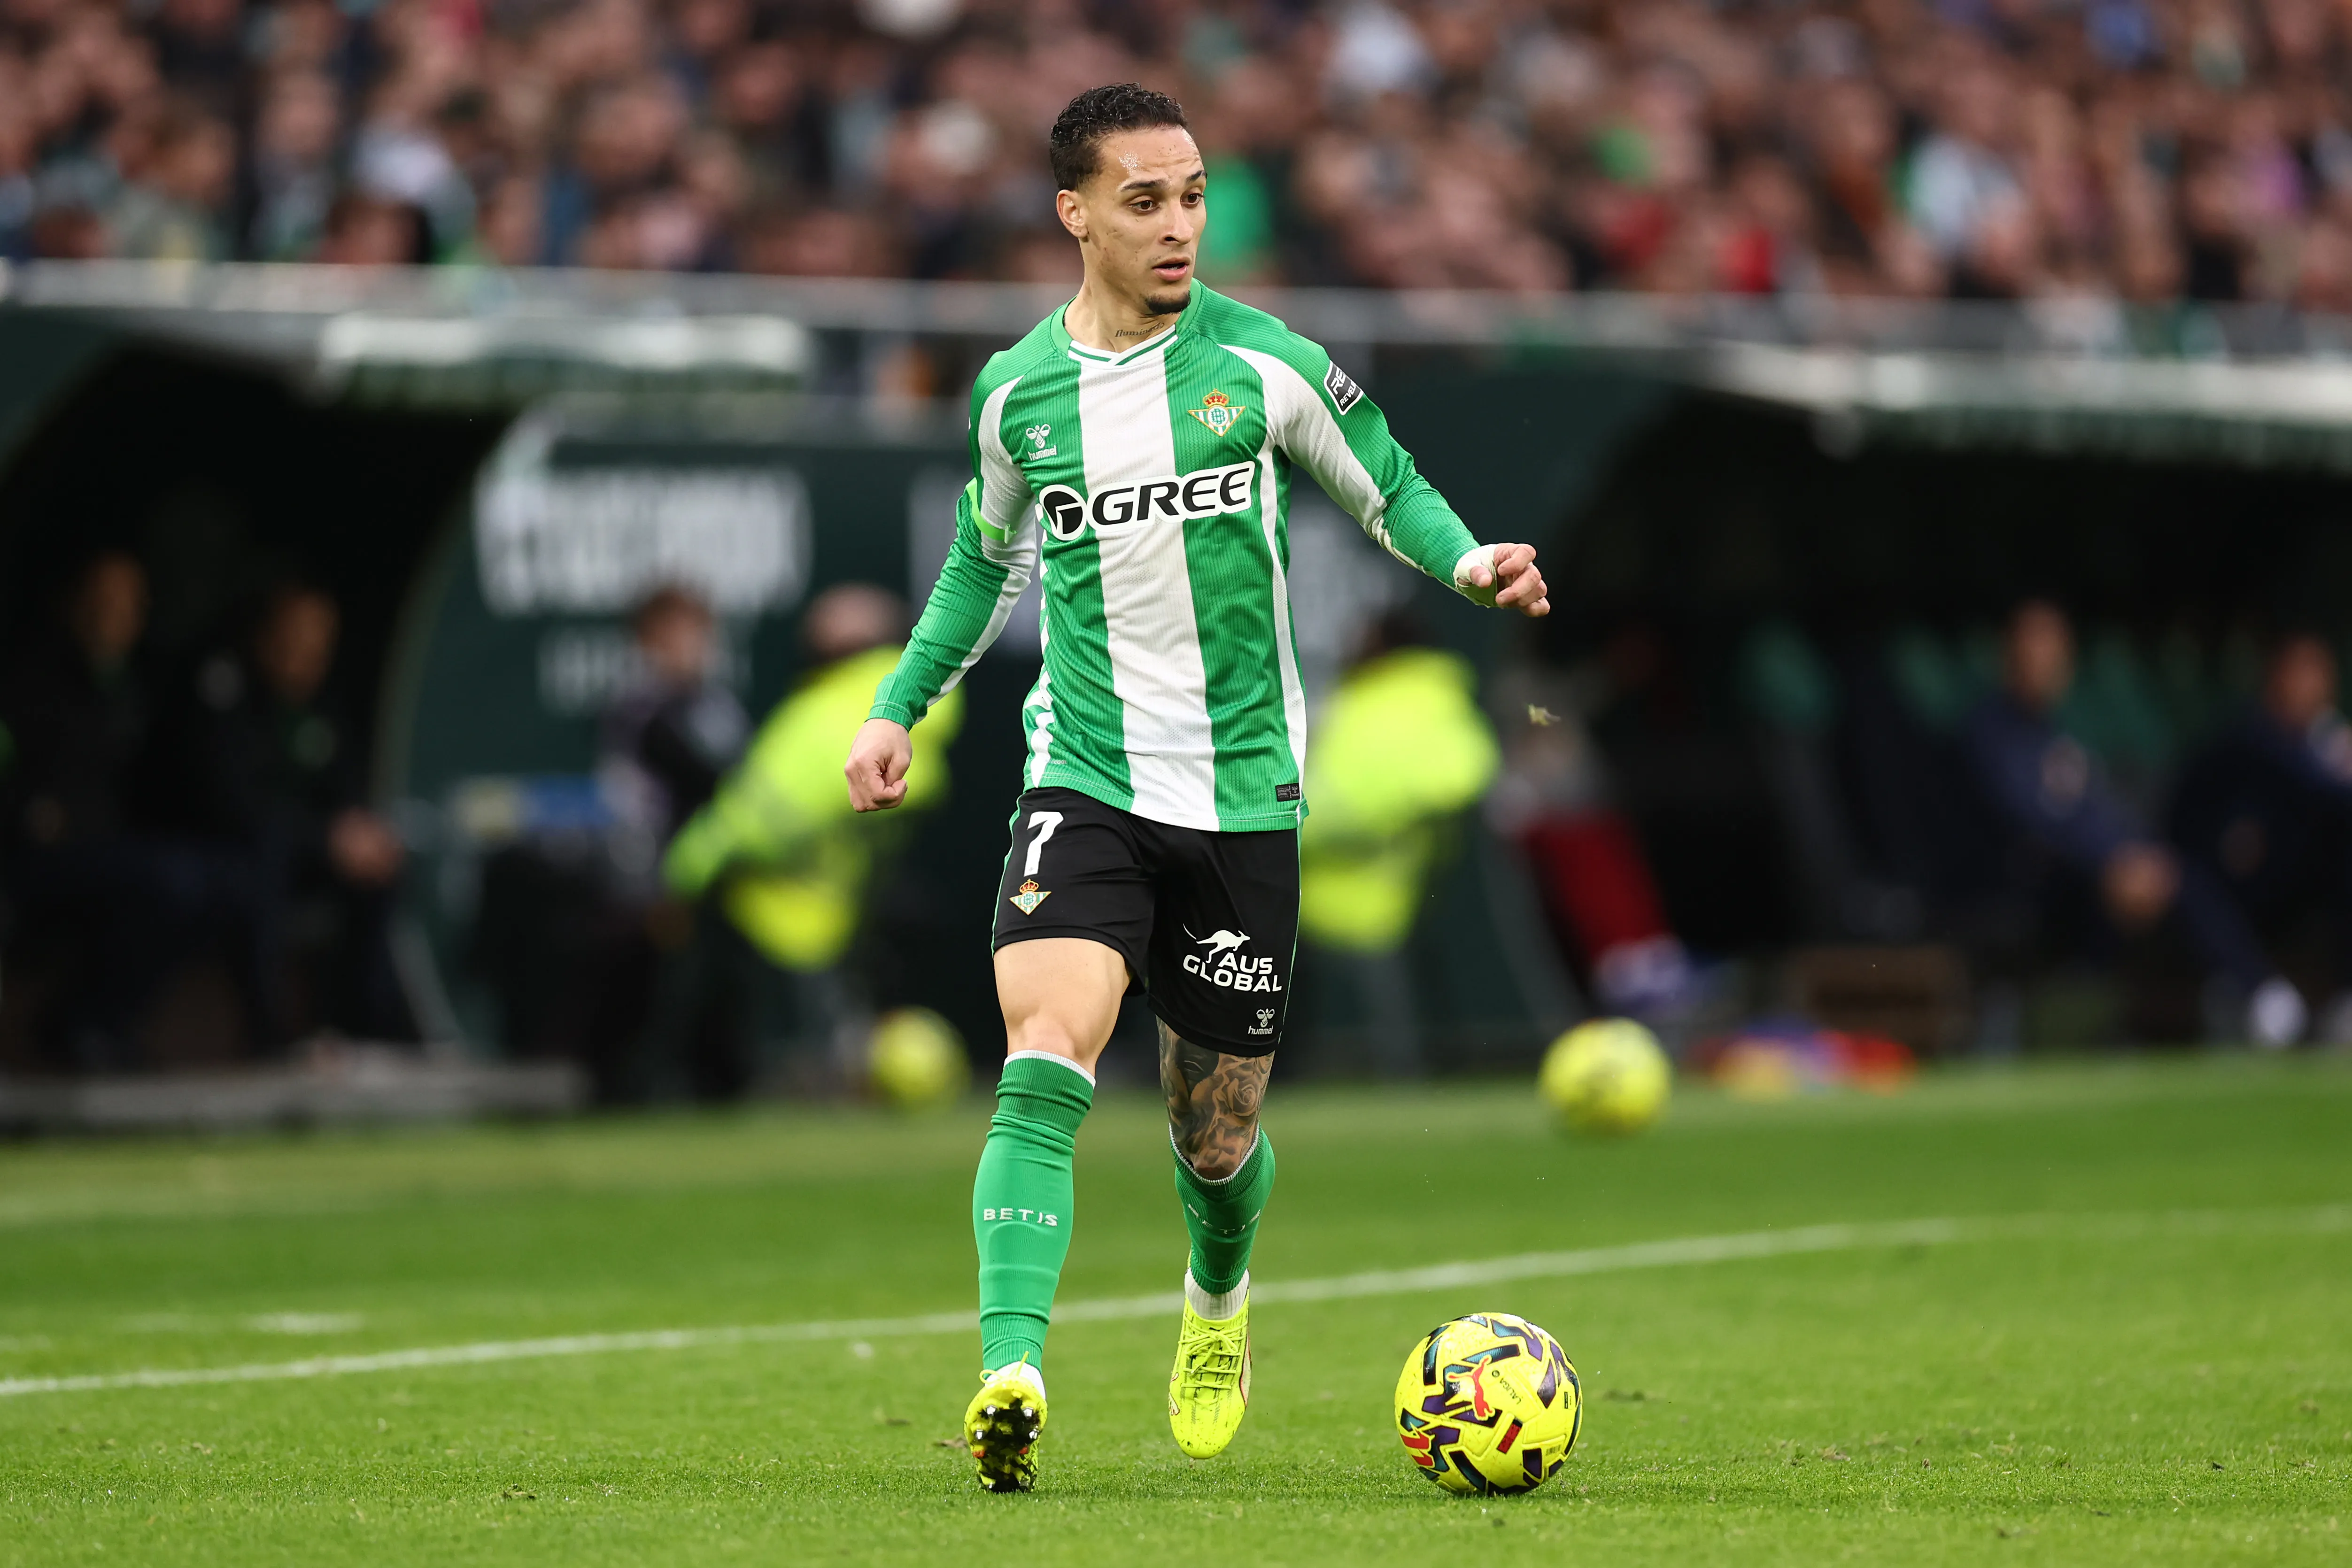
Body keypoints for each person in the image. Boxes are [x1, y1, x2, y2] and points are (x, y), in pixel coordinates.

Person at [843, 83, 1551, 1492]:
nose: (1178, 226)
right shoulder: (1013, 395)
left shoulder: (1265, 363)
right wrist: (894, 705)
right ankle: (1010, 1370)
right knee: (1046, 1047)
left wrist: (1468, 560)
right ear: (1075, 214)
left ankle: (1216, 1297)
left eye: (1192, 197)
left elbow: (1387, 485)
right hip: (1085, 776)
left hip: (1238, 800)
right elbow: (982, 567)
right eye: (1144, 201)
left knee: (1212, 1138)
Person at [1962, 602, 2299, 1046]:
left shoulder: (2056, 735)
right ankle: (2076, 1012)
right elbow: (2024, 828)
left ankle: (2250, 992)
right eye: (2036, 646)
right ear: (2009, 653)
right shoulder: (1989, 734)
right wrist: (2108, 869)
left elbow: (2101, 816)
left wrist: (2132, 859)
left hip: (2095, 881)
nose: (2047, 661)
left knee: (2174, 873)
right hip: (2027, 887)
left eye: (2057, 650)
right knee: (2136, 886)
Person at [662, 583, 962, 1080]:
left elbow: (752, 824)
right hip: (853, 915)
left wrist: (679, 875)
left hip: (781, 921)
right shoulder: (929, 707)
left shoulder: (825, 718)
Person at [161, 581, 409, 1048]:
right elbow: (232, 805)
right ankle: (270, 1038)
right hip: (234, 852)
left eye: (319, 644)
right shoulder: (224, 691)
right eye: (294, 639)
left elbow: (345, 792)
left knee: (379, 866)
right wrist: (323, 838)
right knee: (266, 859)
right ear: (265, 635)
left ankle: (370, 1034)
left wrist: (357, 836)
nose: (307, 655)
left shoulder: (323, 705)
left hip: (306, 856)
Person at [1295, 613, 1499, 1076]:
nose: (1356, 643)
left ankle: (1406, 1071)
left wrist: (1369, 822)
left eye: (1367, 634)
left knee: (1388, 996)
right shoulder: (1349, 696)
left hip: (1377, 886)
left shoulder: (1431, 695)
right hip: (1299, 871)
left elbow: (1466, 772)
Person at [2168, 632, 2352, 1046]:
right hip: (2230, 888)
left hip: (2293, 892)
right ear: (2274, 676)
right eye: (2300, 671)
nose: (2310, 684)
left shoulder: (2320, 742)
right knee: (2188, 879)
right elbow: (2317, 787)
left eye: (2320, 673)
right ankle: (2261, 995)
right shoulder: (2249, 737)